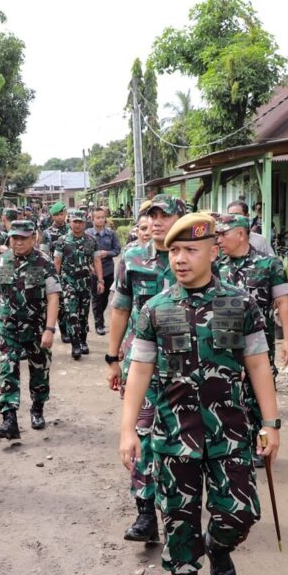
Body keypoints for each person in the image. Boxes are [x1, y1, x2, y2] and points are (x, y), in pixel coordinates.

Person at [119, 211, 280, 575]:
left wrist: (271, 422)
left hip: (229, 433)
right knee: (178, 521)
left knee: (240, 513)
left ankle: (219, 546)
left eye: (191, 249)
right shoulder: (155, 309)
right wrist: (127, 431)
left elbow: (259, 365)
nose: (180, 258)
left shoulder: (239, 303)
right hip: (174, 437)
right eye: (174, 250)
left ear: (214, 250)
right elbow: (138, 371)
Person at [105, 195, 181, 544]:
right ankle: (146, 512)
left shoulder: (194, 257)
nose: (158, 222)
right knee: (141, 434)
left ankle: (182, 509)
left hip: (186, 365)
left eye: (166, 216)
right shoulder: (133, 258)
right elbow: (120, 308)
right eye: (153, 215)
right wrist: (112, 359)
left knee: (185, 437)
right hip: (143, 364)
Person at [0, 218, 61, 439]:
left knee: (40, 370)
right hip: (7, 326)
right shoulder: (1, 261)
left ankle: (37, 408)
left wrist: (50, 329)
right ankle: (9, 420)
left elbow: (53, 296)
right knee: (7, 369)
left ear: (33, 238)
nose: (18, 242)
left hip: (36, 328)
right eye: (14, 238)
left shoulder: (44, 262)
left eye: (23, 238)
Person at [215, 214, 288, 374]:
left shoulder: (270, 264)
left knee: (261, 391)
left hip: (259, 344)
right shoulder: (217, 268)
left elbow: (283, 302)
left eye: (223, 234)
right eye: (217, 235)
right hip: (225, 346)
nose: (219, 240)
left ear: (240, 234)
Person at [54, 209, 103, 360]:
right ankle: (75, 345)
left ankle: (83, 341)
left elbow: (96, 260)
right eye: (75, 222)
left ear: (85, 223)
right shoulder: (62, 241)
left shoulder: (91, 241)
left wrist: (100, 280)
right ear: (70, 222)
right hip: (68, 282)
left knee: (83, 314)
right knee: (72, 313)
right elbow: (57, 262)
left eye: (80, 222)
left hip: (85, 283)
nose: (77, 225)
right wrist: (55, 285)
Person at [86, 206, 121, 336]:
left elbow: (117, 250)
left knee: (105, 296)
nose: (100, 220)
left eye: (102, 217)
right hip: (93, 272)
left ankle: (99, 317)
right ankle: (99, 324)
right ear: (92, 219)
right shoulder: (88, 234)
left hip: (108, 270)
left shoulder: (111, 234)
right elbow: (84, 253)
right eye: (97, 218)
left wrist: (107, 253)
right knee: (96, 298)